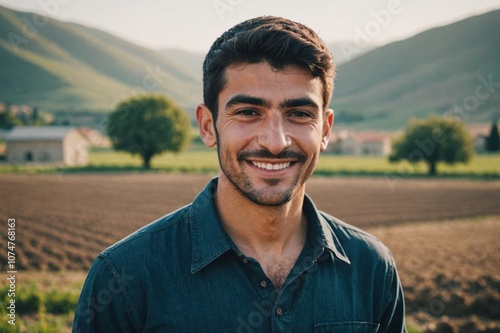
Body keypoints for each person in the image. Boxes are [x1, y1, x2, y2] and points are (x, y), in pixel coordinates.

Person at [73, 16, 406, 332]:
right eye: (248, 112)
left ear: (325, 129)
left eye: (299, 113)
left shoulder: (373, 269)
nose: (275, 142)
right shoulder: (124, 277)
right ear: (208, 126)